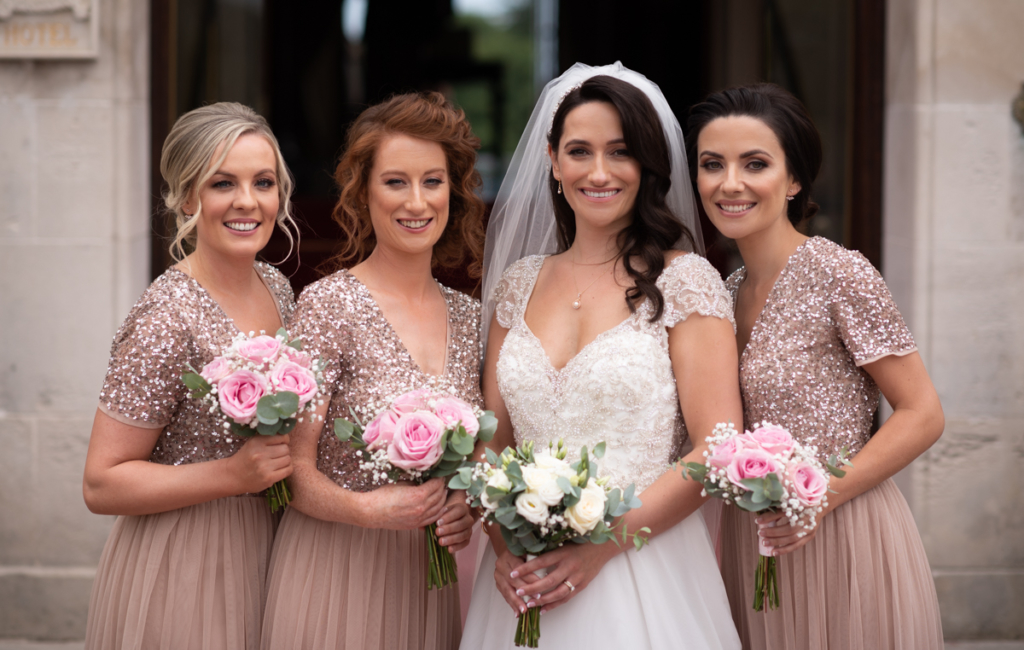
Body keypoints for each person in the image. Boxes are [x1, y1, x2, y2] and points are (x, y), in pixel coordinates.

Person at [461, 62, 742, 649]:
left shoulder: (686, 282)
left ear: (645, 165)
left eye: (619, 152)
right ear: (553, 160)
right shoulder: (518, 284)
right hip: (524, 576)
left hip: (644, 569)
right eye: (580, 151)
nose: (599, 172)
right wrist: (504, 543)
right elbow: (491, 435)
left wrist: (604, 543)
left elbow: (716, 446)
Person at [687, 83, 944, 649]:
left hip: (842, 531)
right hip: (748, 538)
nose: (730, 183)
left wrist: (820, 495)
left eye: (755, 163)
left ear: (795, 178)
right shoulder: (720, 294)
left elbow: (922, 412)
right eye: (713, 164)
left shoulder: (840, 274)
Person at [259, 91, 485, 650]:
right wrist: (365, 509)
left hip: (431, 584)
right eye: (395, 182)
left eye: (433, 181)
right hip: (337, 573)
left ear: (452, 192)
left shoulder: (473, 317)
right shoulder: (328, 306)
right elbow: (287, 470)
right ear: (362, 193)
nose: (417, 202)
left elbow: (481, 454)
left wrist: (466, 504)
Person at [82, 102, 298, 650]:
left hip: (271, 549)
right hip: (186, 562)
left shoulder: (277, 287)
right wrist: (232, 474)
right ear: (186, 197)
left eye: (263, 182)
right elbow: (101, 482)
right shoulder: (166, 315)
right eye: (223, 183)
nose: (247, 201)